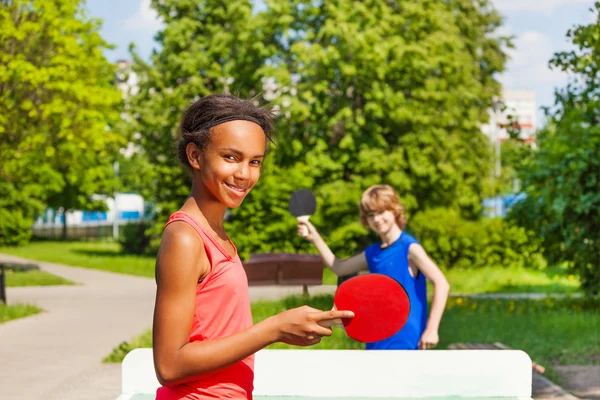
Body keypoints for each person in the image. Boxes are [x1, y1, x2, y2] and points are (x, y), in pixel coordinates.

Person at [152, 94, 354, 400]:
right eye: (231, 157)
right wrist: (274, 329)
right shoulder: (184, 237)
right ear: (195, 155)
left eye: (255, 161)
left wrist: (299, 324)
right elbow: (169, 365)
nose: (245, 174)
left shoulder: (216, 233)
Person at [298, 184, 450, 350]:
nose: (376, 219)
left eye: (381, 211)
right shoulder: (373, 253)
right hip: (376, 339)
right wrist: (315, 238)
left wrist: (432, 329)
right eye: (371, 214)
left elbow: (442, 283)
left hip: (407, 341)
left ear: (395, 211)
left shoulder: (409, 247)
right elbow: (339, 268)